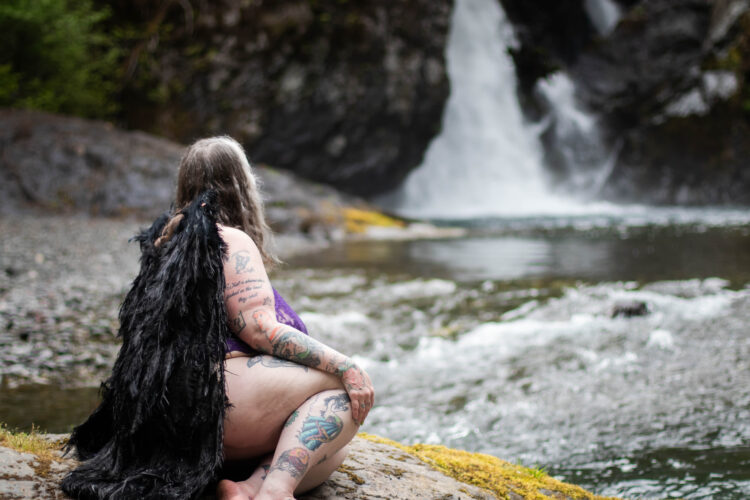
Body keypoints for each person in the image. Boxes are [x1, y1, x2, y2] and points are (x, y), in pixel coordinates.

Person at [61, 136, 374, 500]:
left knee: (331, 443)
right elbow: (258, 329)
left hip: (169, 422)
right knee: (344, 392)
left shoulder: (167, 243)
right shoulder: (228, 240)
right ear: (242, 187)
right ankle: (275, 492)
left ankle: (244, 489)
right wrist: (346, 365)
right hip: (218, 407)